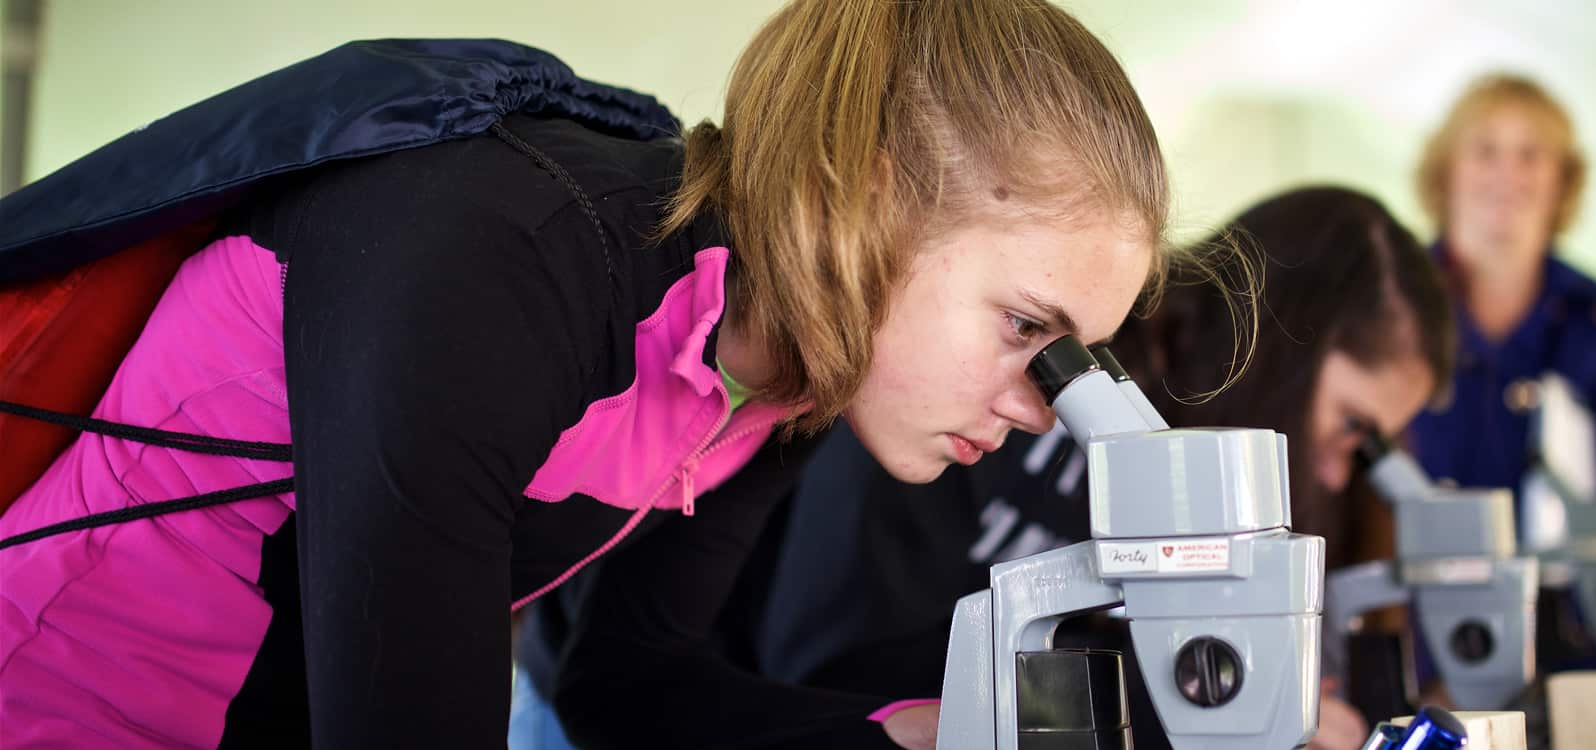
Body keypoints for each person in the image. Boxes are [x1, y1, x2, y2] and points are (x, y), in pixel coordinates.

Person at [0, 1, 1191, 745]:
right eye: (1029, 327)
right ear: (864, 198)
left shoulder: (782, 388)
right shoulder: (502, 250)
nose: (1042, 410)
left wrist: (915, 737)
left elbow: (623, 684)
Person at [510, 186, 1455, 750]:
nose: (1341, 468)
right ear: (1286, 363)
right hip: (627, 708)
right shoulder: (973, 397)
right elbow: (834, 657)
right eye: (1350, 430)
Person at [1405, 72, 1596, 668]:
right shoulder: (1390, 310)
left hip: (1577, 654)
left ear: (1562, 180)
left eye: (1531, 154)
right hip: (1421, 646)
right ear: (1446, 169)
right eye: (1486, 151)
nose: (1508, 173)